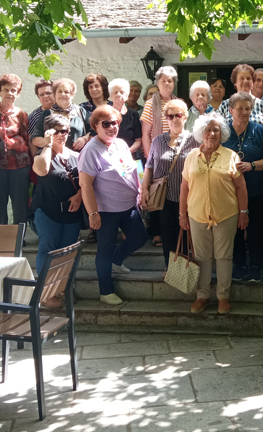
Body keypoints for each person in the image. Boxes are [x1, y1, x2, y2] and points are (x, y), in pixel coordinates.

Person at [180, 113, 249, 315]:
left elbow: (241, 186)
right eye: (208, 130)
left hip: (226, 214)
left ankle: (222, 296)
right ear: (201, 132)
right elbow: (184, 188)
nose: (211, 133)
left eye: (216, 130)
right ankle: (202, 296)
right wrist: (182, 214)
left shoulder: (231, 156)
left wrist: (243, 212)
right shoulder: (191, 157)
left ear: (222, 133)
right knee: (201, 257)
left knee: (224, 256)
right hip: (197, 215)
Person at [79, 105, 147, 305]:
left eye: (115, 123)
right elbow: (85, 184)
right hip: (106, 210)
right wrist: (93, 213)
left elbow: (131, 169)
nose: (111, 127)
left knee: (139, 238)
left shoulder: (120, 144)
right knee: (105, 250)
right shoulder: (91, 150)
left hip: (129, 206)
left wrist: (139, 192)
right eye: (106, 124)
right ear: (95, 126)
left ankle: (117, 261)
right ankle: (106, 291)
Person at [31, 114, 83, 305]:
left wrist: (79, 196)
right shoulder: (42, 154)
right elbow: (42, 170)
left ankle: (63, 289)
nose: (62, 134)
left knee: (68, 251)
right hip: (47, 210)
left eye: (65, 131)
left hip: (72, 211)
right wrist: (47, 144)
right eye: (57, 131)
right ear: (48, 132)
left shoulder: (76, 155)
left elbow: (86, 181)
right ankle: (46, 292)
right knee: (48, 248)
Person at [222, 93, 263, 282]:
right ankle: (239, 264)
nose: (244, 112)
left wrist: (252, 165)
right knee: (234, 229)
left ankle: (256, 266)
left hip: (255, 189)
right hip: (229, 192)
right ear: (231, 110)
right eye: (240, 108)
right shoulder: (223, 132)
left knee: (255, 229)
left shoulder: (259, 131)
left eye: (248, 108)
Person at [142, 100, 198, 270]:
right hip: (163, 197)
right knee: (167, 233)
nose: (174, 119)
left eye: (177, 115)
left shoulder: (195, 140)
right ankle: (170, 268)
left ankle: (185, 269)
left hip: (188, 197)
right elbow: (149, 166)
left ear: (185, 116)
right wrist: (144, 189)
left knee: (186, 233)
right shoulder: (158, 140)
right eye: (170, 116)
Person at [0, 73, 31, 227]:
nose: (10, 93)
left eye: (13, 90)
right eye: (6, 89)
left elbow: (27, 138)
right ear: (0, 91)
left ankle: (19, 236)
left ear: (18, 93)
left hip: (20, 167)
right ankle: (0, 236)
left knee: (20, 204)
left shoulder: (21, 114)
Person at [32, 78, 92, 151]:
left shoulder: (80, 111)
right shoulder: (47, 113)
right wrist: (49, 141)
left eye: (66, 92)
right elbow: (34, 139)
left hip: (78, 156)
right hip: (54, 156)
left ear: (72, 95)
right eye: (59, 91)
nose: (63, 94)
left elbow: (94, 131)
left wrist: (84, 139)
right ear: (55, 94)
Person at [141, 66, 181, 161]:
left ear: (174, 84)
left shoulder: (178, 103)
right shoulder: (150, 104)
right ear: (158, 83)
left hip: (177, 153)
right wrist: (150, 158)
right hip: (157, 154)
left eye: (170, 81)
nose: (167, 83)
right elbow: (146, 134)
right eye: (163, 81)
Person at [109, 78, 143, 161]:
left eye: (122, 92)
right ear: (111, 96)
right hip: (108, 157)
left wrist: (126, 152)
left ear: (127, 95)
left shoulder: (133, 114)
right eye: (115, 92)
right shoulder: (104, 113)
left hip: (129, 157)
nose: (118, 94)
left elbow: (138, 140)